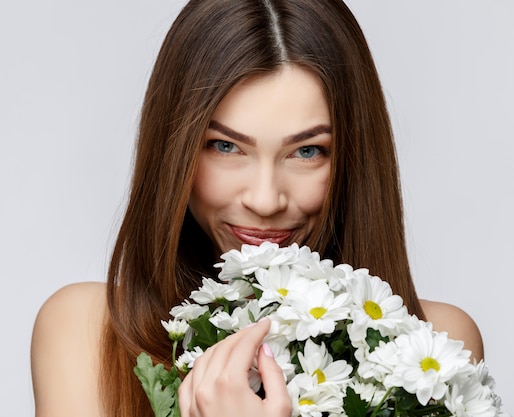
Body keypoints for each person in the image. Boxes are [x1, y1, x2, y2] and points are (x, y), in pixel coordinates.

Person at [30, 1, 484, 416]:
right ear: (175, 151)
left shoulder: (436, 343)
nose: (265, 200)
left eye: (307, 151)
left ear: (354, 159)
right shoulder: (87, 333)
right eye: (225, 146)